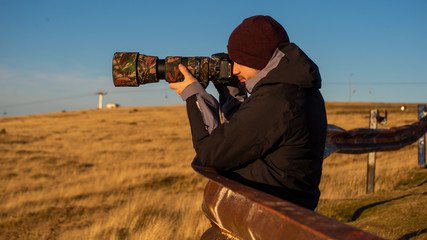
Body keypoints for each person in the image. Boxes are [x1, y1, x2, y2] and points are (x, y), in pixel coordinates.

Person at [169, 15, 327, 210]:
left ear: (258, 57)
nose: (234, 69)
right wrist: (230, 90)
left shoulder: (277, 99)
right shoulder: (294, 89)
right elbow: (246, 134)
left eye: (239, 61)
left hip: (274, 219)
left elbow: (212, 152)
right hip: (286, 211)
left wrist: (193, 94)